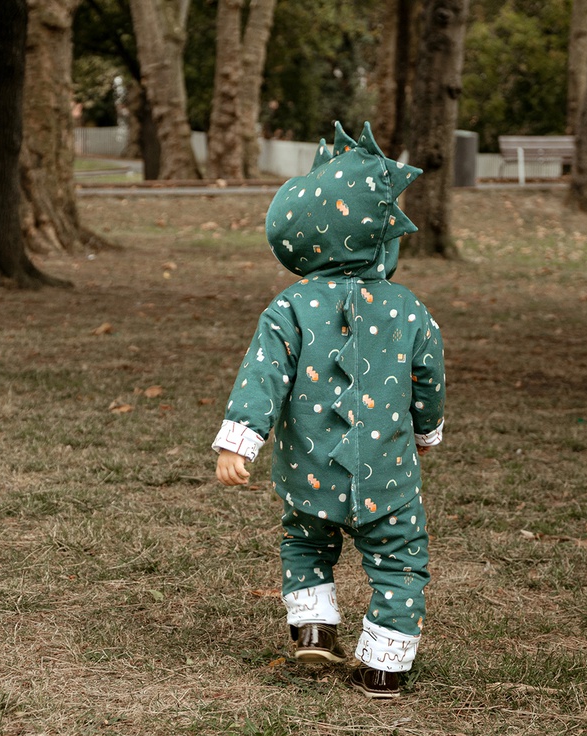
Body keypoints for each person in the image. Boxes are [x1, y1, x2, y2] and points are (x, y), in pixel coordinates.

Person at [213, 122, 445, 699]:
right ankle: (384, 666)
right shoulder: (411, 310)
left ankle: (313, 625)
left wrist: (239, 440)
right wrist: (426, 430)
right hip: (388, 473)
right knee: (399, 556)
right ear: (381, 238)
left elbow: (263, 375)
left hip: (309, 468)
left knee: (306, 539)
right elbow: (428, 378)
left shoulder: (290, 305)